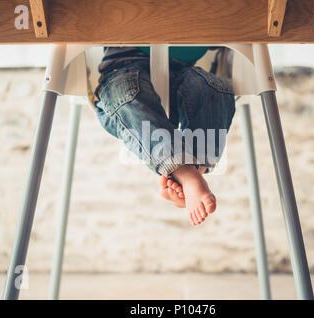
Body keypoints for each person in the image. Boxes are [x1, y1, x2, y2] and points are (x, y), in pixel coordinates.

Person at [94, 46, 235, 226]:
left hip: (181, 72)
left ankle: (189, 172)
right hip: (123, 69)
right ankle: (186, 174)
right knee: (127, 94)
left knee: (213, 88)